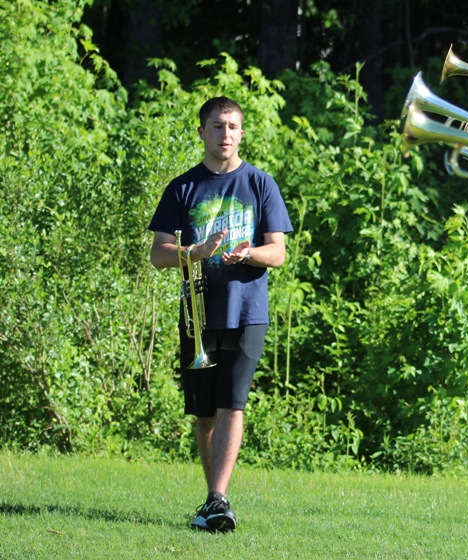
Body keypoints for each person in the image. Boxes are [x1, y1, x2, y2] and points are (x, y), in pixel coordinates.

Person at [148, 96, 293, 532]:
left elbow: (279, 253)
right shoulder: (182, 188)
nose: (225, 134)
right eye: (216, 126)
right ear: (202, 132)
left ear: (241, 133)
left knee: (233, 403)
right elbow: (158, 255)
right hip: (198, 313)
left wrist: (248, 253)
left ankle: (217, 498)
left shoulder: (260, 184)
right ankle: (215, 500)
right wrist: (198, 251)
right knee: (204, 410)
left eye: (232, 126)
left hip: (248, 310)